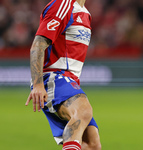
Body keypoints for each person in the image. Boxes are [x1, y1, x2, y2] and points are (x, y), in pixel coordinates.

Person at [25, 0, 101, 150]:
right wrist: (38, 84)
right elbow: (38, 44)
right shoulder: (62, 4)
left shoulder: (85, 13)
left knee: (91, 144)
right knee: (83, 111)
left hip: (70, 81)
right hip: (53, 76)